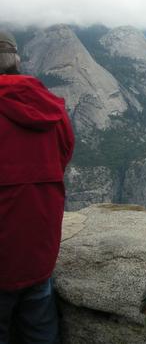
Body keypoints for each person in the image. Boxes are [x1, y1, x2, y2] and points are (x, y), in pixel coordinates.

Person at [0, 30, 75, 343]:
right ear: (17, 60)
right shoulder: (50, 107)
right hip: (39, 249)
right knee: (40, 332)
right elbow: (63, 156)